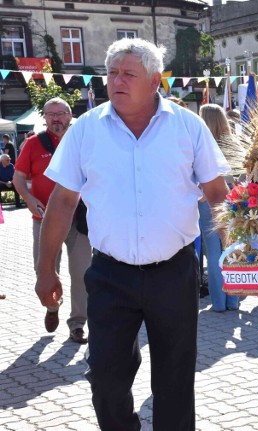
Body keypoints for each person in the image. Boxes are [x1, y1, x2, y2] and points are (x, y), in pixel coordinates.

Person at [34, 38, 230, 430]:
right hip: (110, 275)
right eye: (111, 73)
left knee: (175, 381)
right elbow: (61, 203)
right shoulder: (87, 130)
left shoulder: (187, 127)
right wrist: (45, 269)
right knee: (105, 377)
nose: (116, 81)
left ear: (155, 81)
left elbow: (217, 195)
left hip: (174, 273)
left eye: (128, 74)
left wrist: (243, 256)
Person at [13, 97, 90, 343]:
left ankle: (78, 324)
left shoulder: (82, 140)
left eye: (60, 113)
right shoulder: (34, 144)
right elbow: (18, 178)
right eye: (50, 114)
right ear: (44, 118)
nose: (56, 118)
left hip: (78, 220)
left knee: (82, 273)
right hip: (44, 218)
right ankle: (53, 306)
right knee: (43, 269)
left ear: (70, 115)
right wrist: (28, 198)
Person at [199, 103, 242, 311]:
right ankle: (233, 298)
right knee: (230, 247)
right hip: (231, 198)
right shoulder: (232, 143)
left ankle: (218, 301)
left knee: (214, 251)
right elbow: (241, 175)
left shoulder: (201, 143)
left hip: (206, 199)